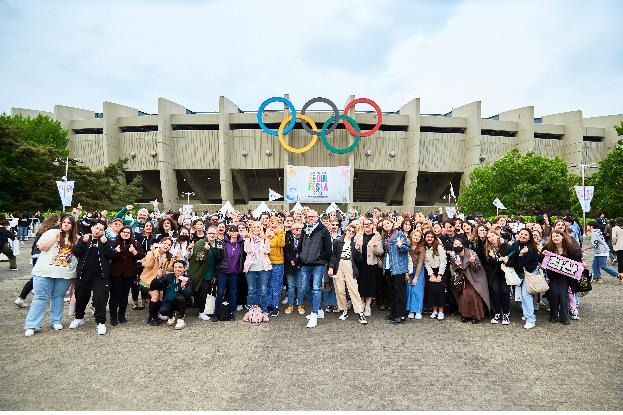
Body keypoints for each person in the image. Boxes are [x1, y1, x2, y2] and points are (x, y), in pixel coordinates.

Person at [23, 216, 78, 337]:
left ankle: (56, 321)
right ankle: (32, 325)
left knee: (58, 297)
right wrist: (55, 238)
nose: (66, 224)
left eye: (69, 223)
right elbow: (42, 247)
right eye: (64, 222)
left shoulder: (76, 238)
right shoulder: (51, 232)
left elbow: (77, 256)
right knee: (40, 297)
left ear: (73, 225)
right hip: (44, 271)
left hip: (64, 273)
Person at [68, 220, 116, 335]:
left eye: (101, 229)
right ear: (92, 228)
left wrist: (105, 244)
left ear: (104, 231)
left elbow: (111, 255)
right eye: (96, 228)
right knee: (81, 298)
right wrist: (82, 242)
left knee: (100, 300)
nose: (98, 231)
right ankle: (79, 318)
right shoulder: (84, 239)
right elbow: (76, 252)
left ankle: (100, 323)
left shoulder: (107, 241)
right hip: (84, 275)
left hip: (101, 277)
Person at [15, 214, 61, 308]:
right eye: (60, 220)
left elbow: (35, 243)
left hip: (36, 254)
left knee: (37, 277)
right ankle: (22, 297)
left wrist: (32, 254)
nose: (60, 222)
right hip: (43, 255)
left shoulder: (42, 228)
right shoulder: (53, 230)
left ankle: (27, 295)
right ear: (55, 221)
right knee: (37, 278)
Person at [298, 209, 332, 328]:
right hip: (305, 264)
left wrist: (318, 258)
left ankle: (314, 314)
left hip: (318, 264)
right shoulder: (304, 229)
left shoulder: (323, 230)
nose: (310, 218)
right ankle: (317, 309)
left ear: (317, 217)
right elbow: (300, 246)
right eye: (308, 217)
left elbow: (328, 249)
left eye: (312, 216)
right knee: (303, 288)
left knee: (316, 288)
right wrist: (301, 258)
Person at [328, 224, 367, 324]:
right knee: (340, 290)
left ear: (354, 233)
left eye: (352, 232)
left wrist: (358, 250)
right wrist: (331, 267)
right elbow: (333, 255)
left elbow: (359, 260)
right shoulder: (337, 241)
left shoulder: (354, 243)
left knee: (353, 289)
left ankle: (360, 313)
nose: (350, 232)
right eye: (349, 230)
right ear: (345, 230)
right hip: (338, 265)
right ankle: (344, 310)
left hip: (349, 265)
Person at [542, 229, 582, 326]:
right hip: (553, 275)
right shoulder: (548, 247)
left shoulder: (569, 247)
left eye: (557, 236)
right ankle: (554, 316)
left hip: (566, 276)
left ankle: (565, 317)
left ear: (562, 236)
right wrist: (543, 254)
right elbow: (541, 259)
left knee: (563, 294)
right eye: (554, 236)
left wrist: (580, 258)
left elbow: (577, 256)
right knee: (554, 294)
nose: (555, 238)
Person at [109, 226, 144, 325]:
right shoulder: (114, 243)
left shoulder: (135, 243)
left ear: (130, 234)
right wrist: (115, 251)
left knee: (124, 296)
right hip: (115, 274)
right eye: (124, 232)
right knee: (114, 296)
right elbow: (107, 254)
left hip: (128, 274)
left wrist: (134, 252)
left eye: (128, 233)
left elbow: (142, 255)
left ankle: (122, 315)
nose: (125, 234)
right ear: (120, 233)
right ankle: (113, 317)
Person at [450, 238, 491, 324]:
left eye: (459, 244)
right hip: (462, 279)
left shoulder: (471, 253)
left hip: (475, 278)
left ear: (463, 244)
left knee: (472, 294)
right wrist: (457, 266)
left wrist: (472, 262)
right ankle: (465, 314)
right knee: (464, 295)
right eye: (455, 244)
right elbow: (454, 269)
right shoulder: (454, 255)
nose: (457, 246)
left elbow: (478, 268)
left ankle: (476, 315)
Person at [139, 237, 175, 325]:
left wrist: (174, 260)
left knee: (160, 295)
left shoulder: (168, 256)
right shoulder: (152, 252)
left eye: (169, 245)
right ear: (160, 243)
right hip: (147, 280)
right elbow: (146, 264)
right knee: (155, 295)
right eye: (165, 243)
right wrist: (154, 255)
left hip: (158, 281)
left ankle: (155, 316)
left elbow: (170, 269)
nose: (166, 246)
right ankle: (151, 318)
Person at [214, 225, 244, 322]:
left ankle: (231, 312)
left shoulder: (242, 243)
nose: (234, 233)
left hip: (234, 272)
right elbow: (218, 257)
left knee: (233, 292)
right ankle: (217, 313)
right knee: (220, 292)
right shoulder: (223, 242)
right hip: (223, 271)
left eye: (235, 231)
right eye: (231, 231)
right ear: (229, 232)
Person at [512, 228, 540, 329]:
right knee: (519, 296)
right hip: (519, 273)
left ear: (529, 238)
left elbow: (526, 264)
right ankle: (528, 313)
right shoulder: (515, 244)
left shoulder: (532, 248)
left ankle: (530, 319)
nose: (523, 236)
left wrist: (521, 255)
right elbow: (513, 260)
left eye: (526, 235)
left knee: (525, 295)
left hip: (530, 273)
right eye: (521, 234)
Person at [356, 217, 384, 317]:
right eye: (365, 224)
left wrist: (374, 246)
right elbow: (354, 251)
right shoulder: (358, 236)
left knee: (370, 286)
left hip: (372, 264)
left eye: (369, 223)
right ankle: (362, 304)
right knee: (360, 285)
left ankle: (368, 306)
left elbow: (380, 252)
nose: (367, 225)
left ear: (373, 225)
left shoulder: (377, 236)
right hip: (360, 264)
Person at [243, 221, 272, 318]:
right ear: (251, 228)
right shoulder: (248, 238)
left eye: (258, 227)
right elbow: (247, 250)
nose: (256, 229)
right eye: (254, 227)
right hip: (251, 267)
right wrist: (247, 239)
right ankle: (250, 311)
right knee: (251, 290)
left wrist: (267, 240)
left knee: (263, 290)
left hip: (263, 267)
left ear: (261, 228)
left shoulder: (264, 239)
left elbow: (267, 251)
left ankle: (264, 310)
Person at [484, 231, 513, 325]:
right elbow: (490, 263)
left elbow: (510, 261)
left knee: (505, 291)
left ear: (497, 235)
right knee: (495, 291)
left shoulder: (506, 246)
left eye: (492, 236)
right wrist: (492, 258)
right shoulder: (489, 247)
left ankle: (506, 313)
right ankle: (497, 313)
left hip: (506, 273)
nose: (491, 238)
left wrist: (498, 258)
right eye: (488, 237)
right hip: (495, 273)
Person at [385, 220, 411, 324]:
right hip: (389, 267)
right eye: (384, 224)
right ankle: (394, 313)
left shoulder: (399, 234)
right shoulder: (387, 236)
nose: (386, 225)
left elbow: (406, 248)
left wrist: (400, 246)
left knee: (400, 292)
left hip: (399, 268)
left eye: (388, 223)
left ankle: (401, 315)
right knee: (392, 292)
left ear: (393, 224)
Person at [159, 260, 193, 330]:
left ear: (184, 268)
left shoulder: (187, 279)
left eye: (180, 267)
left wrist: (183, 287)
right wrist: (158, 277)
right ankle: (171, 315)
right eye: (175, 267)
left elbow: (188, 294)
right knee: (163, 311)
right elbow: (158, 284)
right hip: (169, 300)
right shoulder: (168, 277)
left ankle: (181, 319)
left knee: (181, 298)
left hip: (180, 301)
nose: (177, 269)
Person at [424, 230, 446, 320]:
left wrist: (440, 274)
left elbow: (443, 261)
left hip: (440, 270)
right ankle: (434, 311)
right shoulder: (424, 248)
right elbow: (426, 262)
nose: (430, 239)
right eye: (428, 237)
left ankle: (441, 311)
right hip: (431, 271)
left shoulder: (439, 247)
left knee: (439, 291)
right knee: (432, 291)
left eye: (431, 237)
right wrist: (431, 274)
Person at [266, 217, 285, 317]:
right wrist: (268, 237)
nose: (273, 225)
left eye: (275, 223)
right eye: (271, 223)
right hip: (267, 263)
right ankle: (269, 305)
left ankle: (275, 305)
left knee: (276, 285)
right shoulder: (265, 234)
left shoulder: (281, 233)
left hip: (278, 262)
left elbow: (281, 244)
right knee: (268, 284)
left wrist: (278, 232)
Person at [284, 222, 304, 315]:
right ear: (292, 230)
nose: (297, 230)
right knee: (291, 286)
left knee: (300, 286)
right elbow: (285, 250)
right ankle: (290, 305)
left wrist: (296, 260)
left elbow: (304, 251)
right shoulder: (287, 237)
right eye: (295, 228)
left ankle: (300, 305)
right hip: (290, 265)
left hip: (300, 264)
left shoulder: (304, 238)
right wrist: (291, 260)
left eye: (299, 228)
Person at [406, 229, 425, 320]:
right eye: (415, 235)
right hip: (408, 269)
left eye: (419, 236)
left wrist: (416, 277)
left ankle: (418, 310)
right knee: (409, 289)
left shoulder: (421, 248)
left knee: (417, 289)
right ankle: (410, 310)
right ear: (412, 236)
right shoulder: (407, 246)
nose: (416, 237)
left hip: (418, 270)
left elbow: (420, 263)